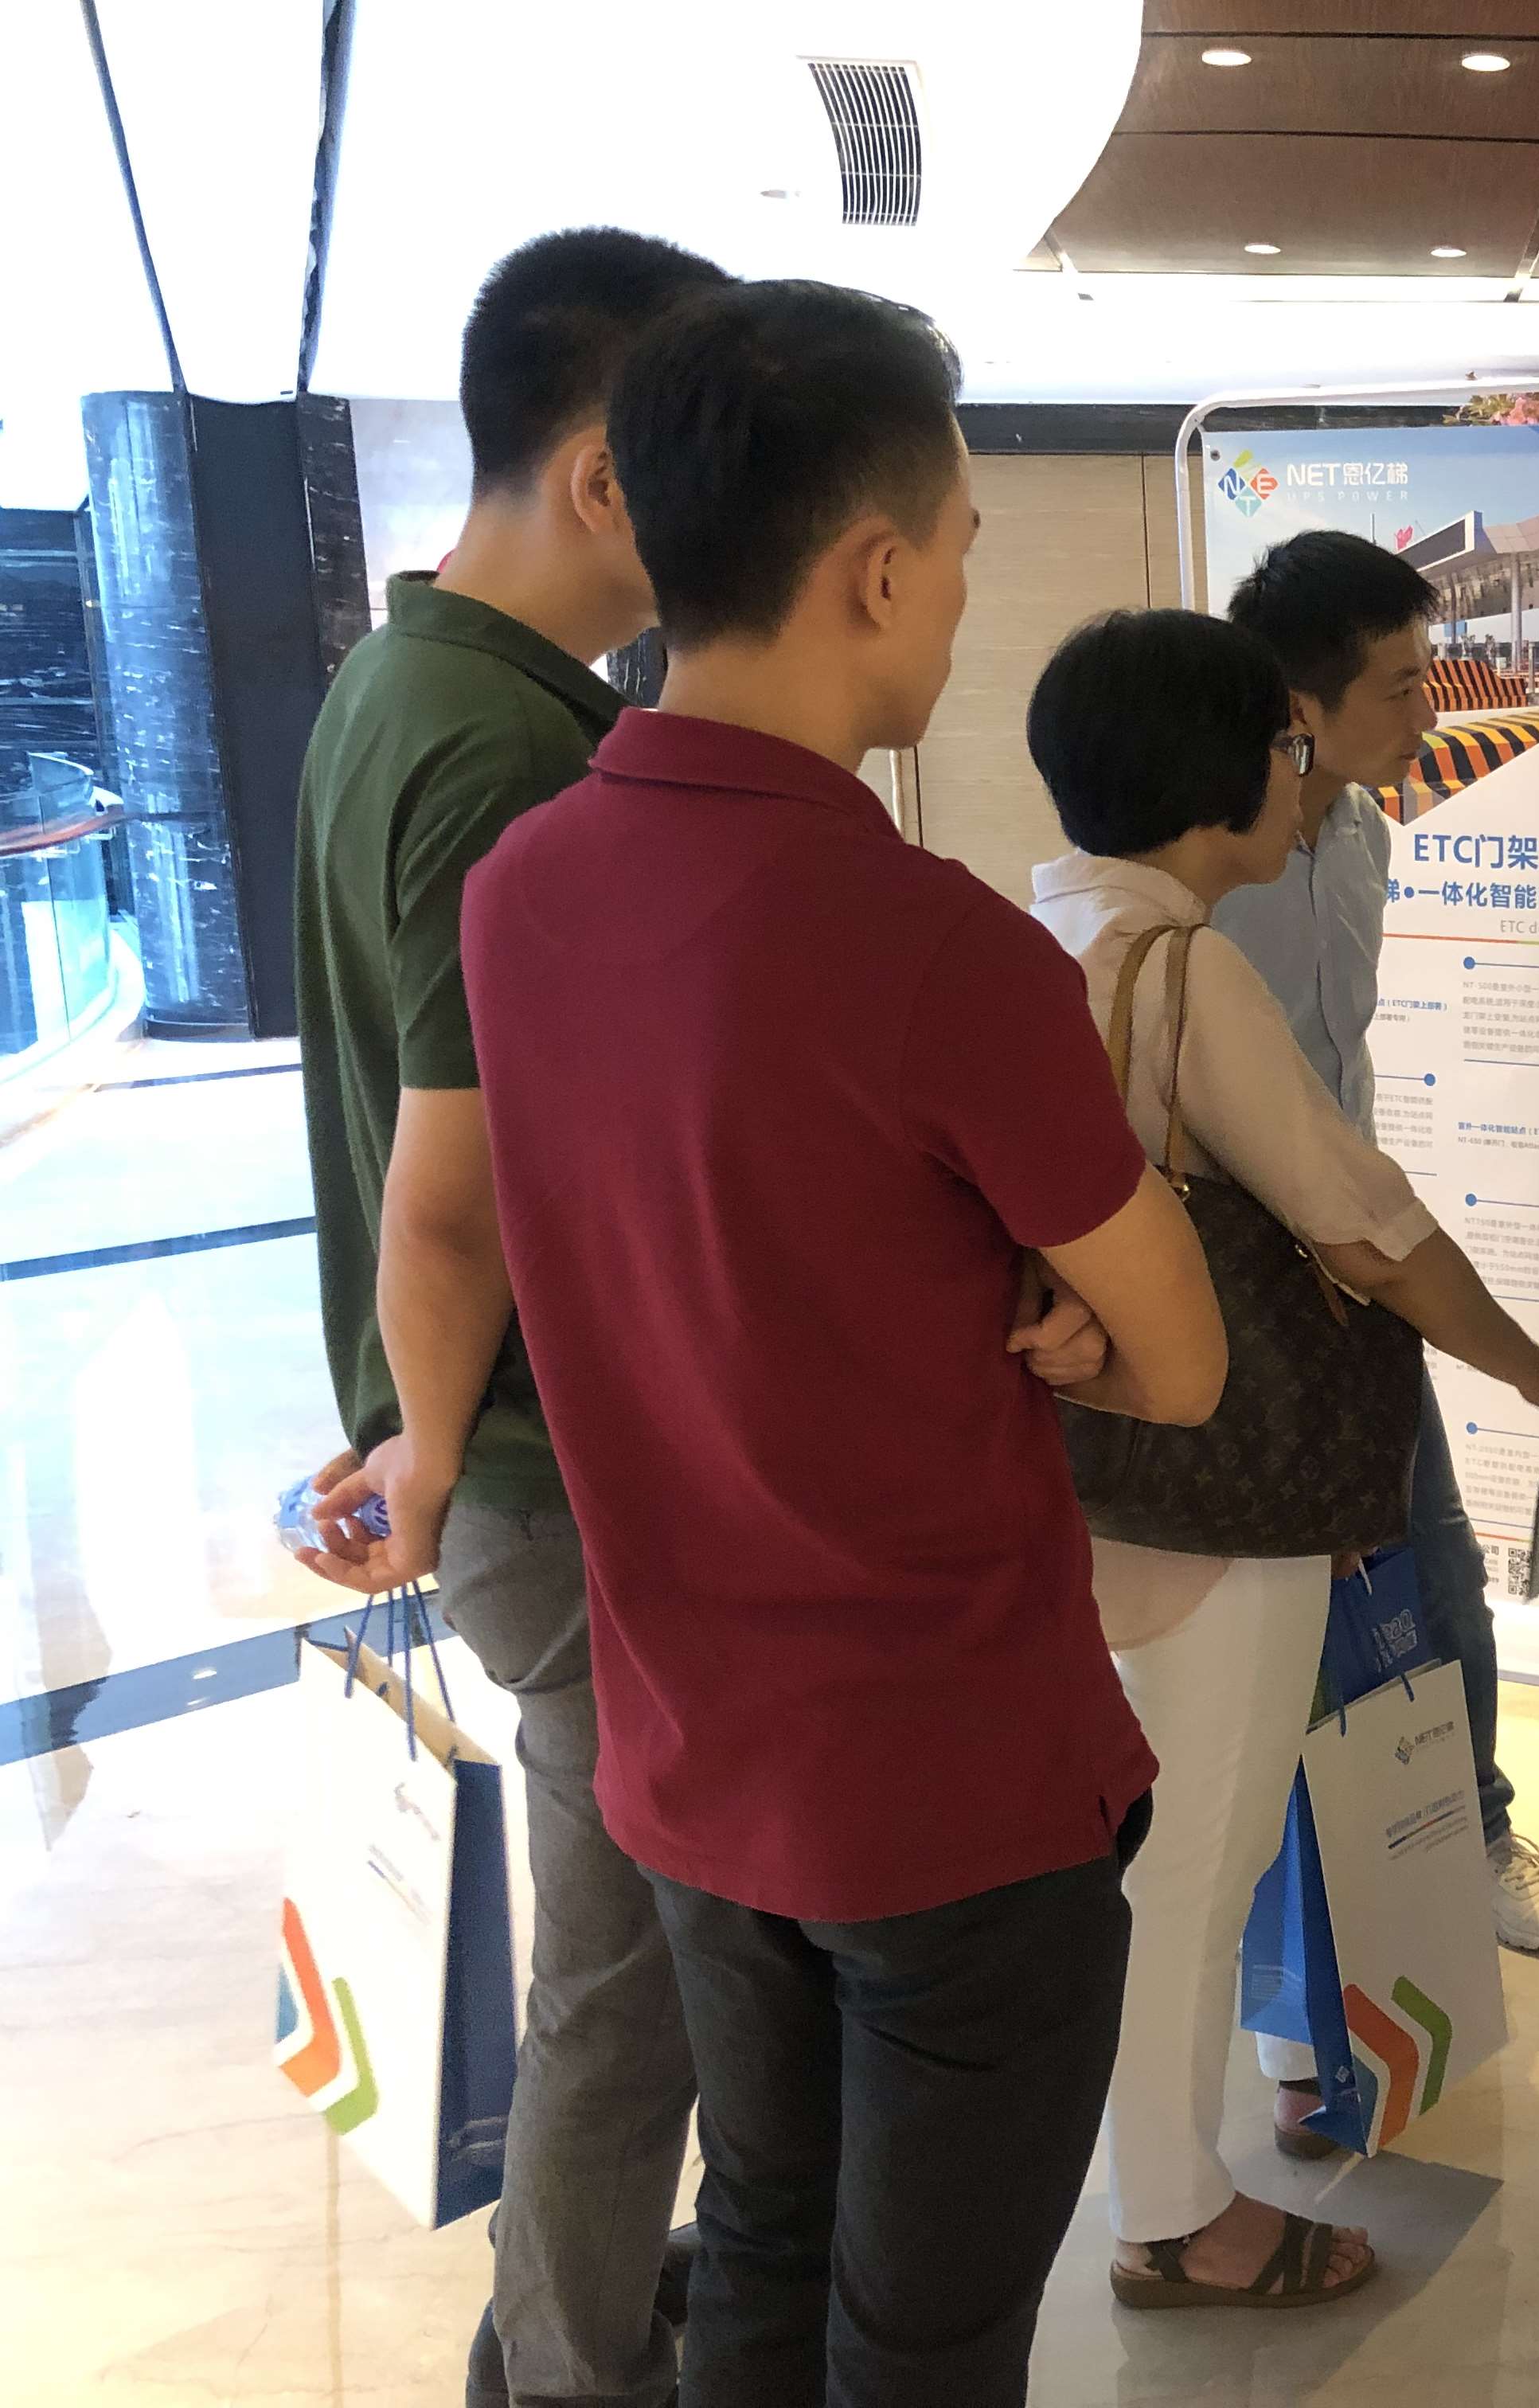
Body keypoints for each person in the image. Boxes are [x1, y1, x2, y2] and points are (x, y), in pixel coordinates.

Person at [456, 281, 1227, 2408]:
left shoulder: (523, 891)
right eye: (962, 545)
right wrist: (1059, 1312)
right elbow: (1181, 1363)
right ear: (877, 570)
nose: (965, 589)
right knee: (928, 2342)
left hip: (694, 1755)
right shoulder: (939, 948)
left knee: (767, 2253)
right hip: (952, 1787)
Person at [1021, 607, 1539, 2312]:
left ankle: (1158, 2164)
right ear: (1218, 773)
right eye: (1286, 749)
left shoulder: (1034, 933)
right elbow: (1358, 1224)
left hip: (1074, 1470)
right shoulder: (1183, 969)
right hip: (1221, 1479)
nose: (1304, 780)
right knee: (1200, 1850)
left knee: (1145, 1835)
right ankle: (1170, 2210)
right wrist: (1534, 1366)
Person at [286, 226, 732, 2408]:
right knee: (625, 1987)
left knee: (629, 1961)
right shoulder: (515, 759)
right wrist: (438, 1441)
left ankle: (584, 2318)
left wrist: (408, 1426)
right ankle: (566, 2369)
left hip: (489, 1440)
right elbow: (451, 1189)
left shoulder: (403, 685)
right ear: (603, 479)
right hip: (553, 1464)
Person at [1216, 528, 1539, 1958]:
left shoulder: (1368, 834)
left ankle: (1470, 1832)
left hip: (1362, 1276)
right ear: (1299, 709)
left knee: (1436, 1564)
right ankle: (1300, 1918)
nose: (1431, 712)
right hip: (1235, 1299)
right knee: (1270, 1615)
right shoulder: (1203, 870)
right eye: (1400, 685)